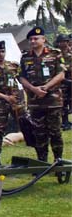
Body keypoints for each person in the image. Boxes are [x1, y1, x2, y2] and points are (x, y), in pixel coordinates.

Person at [18, 27, 65, 162]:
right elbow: (22, 77)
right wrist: (34, 89)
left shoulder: (55, 54)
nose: (33, 41)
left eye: (36, 38)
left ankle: (58, 162)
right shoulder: (26, 56)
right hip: (35, 102)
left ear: (43, 39)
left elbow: (61, 74)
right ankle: (42, 163)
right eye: (31, 39)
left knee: (55, 133)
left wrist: (45, 87)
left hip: (53, 101)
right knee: (39, 134)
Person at [55, 34, 72, 130]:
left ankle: (66, 121)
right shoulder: (57, 54)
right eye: (61, 42)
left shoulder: (70, 54)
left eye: (65, 41)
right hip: (62, 82)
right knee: (63, 102)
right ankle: (64, 121)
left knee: (69, 101)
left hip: (70, 81)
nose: (63, 43)